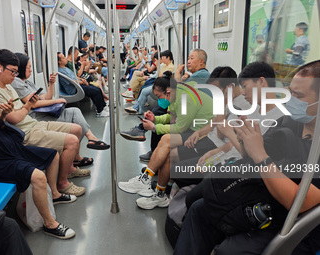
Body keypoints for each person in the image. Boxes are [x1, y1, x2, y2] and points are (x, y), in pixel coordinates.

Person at [174, 60, 320, 255]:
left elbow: (298, 203)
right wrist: (245, 140)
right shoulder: (289, 122)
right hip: (266, 196)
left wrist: (259, 155)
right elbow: (253, 154)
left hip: (292, 221)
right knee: (201, 209)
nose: (290, 100)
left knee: (229, 250)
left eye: (298, 96)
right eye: (290, 92)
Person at [0, 63, 75, 239]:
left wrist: (3, 115)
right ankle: (50, 224)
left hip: (9, 148)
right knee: (38, 176)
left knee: (51, 154)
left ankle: (54, 194)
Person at [0, 49, 87, 197]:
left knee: (76, 129)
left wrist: (27, 106)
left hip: (34, 123)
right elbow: (15, 119)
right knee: (72, 141)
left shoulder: (9, 85)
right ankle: (62, 183)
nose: (14, 76)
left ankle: (69, 170)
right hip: (25, 133)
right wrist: (29, 105)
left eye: (16, 72)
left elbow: (21, 110)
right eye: (12, 72)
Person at [118, 71, 214, 209]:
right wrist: (155, 119)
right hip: (193, 129)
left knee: (166, 138)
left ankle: (147, 180)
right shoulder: (176, 94)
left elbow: (180, 127)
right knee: (166, 143)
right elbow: (172, 117)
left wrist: (155, 127)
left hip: (205, 133)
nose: (159, 100)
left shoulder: (185, 98)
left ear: (168, 92)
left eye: (159, 96)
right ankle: (157, 191)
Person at [11, 53, 110, 150]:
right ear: (21, 68)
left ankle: (91, 138)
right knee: (75, 121)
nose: (31, 70)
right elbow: (33, 104)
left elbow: (46, 98)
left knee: (75, 111)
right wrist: (57, 100)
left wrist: (51, 84)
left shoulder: (27, 82)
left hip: (43, 111)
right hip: (36, 116)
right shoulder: (16, 82)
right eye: (28, 67)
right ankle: (87, 143)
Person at [58, 52, 109, 117]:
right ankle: (100, 111)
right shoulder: (61, 71)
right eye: (63, 58)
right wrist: (82, 82)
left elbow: (75, 76)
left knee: (97, 89)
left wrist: (82, 79)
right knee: (95, 91)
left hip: (78, 85)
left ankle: (103, 106)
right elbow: (71, 81)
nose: (65, 58)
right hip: (74, 89)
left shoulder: (65, 68)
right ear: (59, 61)